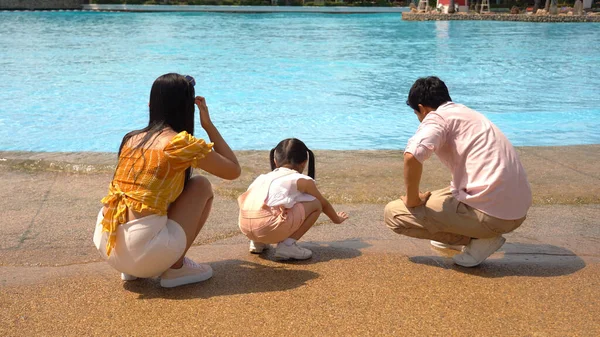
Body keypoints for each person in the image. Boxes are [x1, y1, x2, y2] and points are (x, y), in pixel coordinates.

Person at [93, 73, 241, 287]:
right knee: (201, 185)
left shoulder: (131, 138)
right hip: (143, 253)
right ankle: (176, 269)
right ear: (186, 107)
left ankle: (132, 270)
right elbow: (233, 170)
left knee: (159, 190)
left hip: (108, 243)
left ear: (151, 104)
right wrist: (208, 125)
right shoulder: (179, 143)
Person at [384, 76, 532, 267]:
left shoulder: (436, 119)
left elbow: (412, 156)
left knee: (394, 214)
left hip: (494, 216)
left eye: (416, 113)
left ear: (422, 108)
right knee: (443, 193)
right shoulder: (465, 113)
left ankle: (480, 240)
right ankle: (466, 233)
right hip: (516, 210)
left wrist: (412, 199)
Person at [238, 138, 348, 260]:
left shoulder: (262, 178)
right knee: (316, 204)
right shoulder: (300, 179)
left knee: (269, 207)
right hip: (269, 229)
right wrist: (336, 219)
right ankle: (287, 245)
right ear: (304, 162)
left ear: (275, 161)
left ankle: (257, 243)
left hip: (246, 228)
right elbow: (323, 204)